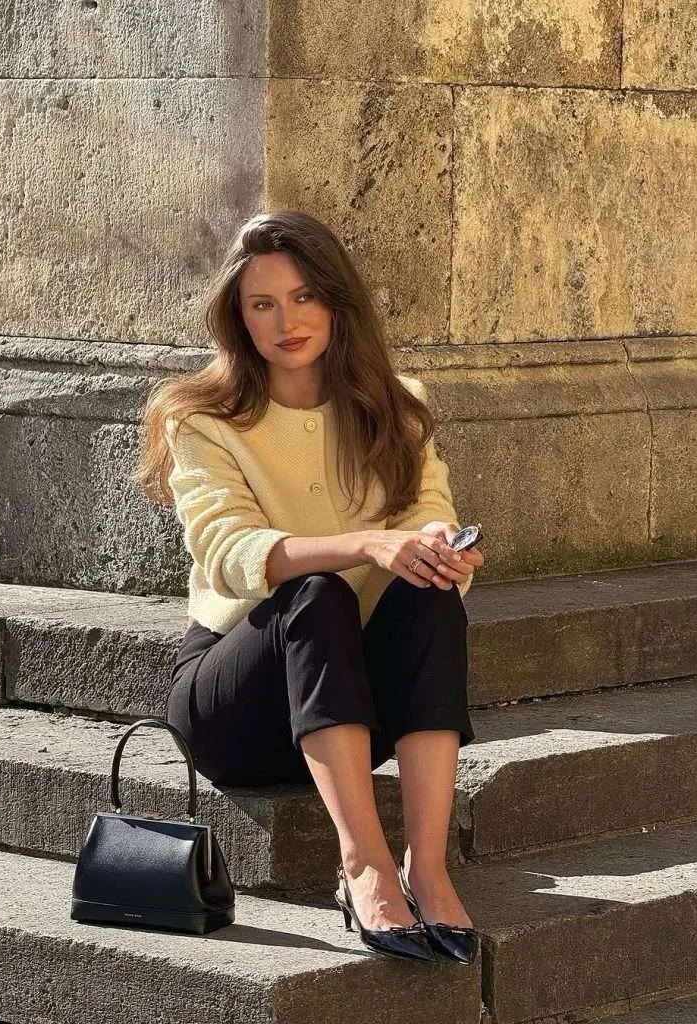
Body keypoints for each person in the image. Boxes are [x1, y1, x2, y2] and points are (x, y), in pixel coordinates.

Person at [136, 210, 484, 965]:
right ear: (238, 317)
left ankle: (427, 866)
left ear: (335, 302)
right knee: (316, 591)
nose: (285, 321)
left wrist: (435, 547)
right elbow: (228, 551)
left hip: (359, 699)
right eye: (261, 304)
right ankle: (363, 865)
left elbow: (428, 509)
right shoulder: (200, 416)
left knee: (428, 588)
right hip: (239, 699)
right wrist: (362, 542)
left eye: (302, 297)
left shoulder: (398, 402)